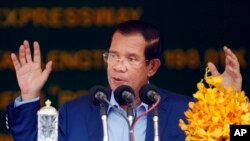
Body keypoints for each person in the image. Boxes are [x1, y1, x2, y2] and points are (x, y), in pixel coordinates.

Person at [6, 20, 242, 141]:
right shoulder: (74, 113)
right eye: (113, 56)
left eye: (131, 58)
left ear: (152, 66)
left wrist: (230, 103)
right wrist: (28, 96)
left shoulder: (187, 112)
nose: (118, 66)